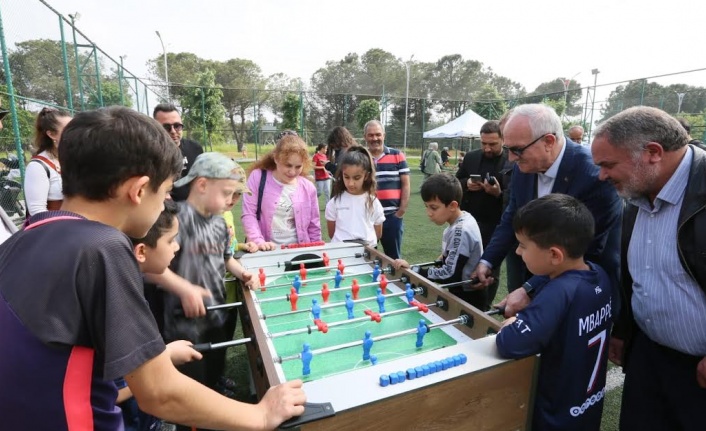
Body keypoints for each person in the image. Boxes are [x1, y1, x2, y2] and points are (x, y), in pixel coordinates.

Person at [0, 106, 305, 430]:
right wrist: (261, 414)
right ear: (139, 190)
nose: (164, 205)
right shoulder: (104, 248)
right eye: (163, 193)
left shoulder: (24, 237)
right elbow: (158, 392)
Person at [591, 106, 706, 430]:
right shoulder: (637, 194)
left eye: (608, 165)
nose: (601, 175)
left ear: (653, 153)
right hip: (648, 357)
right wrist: (624, 330)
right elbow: (637, 276)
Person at [471, 104, 622, 318]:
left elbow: (582, 250)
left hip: (579, 288)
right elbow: (512, 216)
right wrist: (488, 261)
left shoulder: (594, 176)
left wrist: (529, 289)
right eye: (508, 150)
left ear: (548, 142)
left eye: (517, 150)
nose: (512, 158)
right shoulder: (524, 167)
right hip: (531, 269)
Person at [151, 153, 259, 420]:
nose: (229, 201)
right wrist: (184, 288)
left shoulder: (221, 224)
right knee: (190, 382)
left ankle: (214, 386)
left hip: (216, 312)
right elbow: (150, 268)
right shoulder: (174, 221)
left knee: (215, 361)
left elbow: (227, 259)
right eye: (225, 193)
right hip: (183, 323)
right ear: (201, 185)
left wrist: (243, 273)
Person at [496, 193, 613, 431]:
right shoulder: (599, 273)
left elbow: (510, 343)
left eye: (522, 245)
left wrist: (511, 324)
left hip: (555, 416)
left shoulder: (558, 292)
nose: (518, 252)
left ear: (554, 255)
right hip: (587, 405)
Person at [116, 199, 203, 431]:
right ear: (142, 251)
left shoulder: (128, 282)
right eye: (171, 240)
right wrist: (165, 356)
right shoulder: (118, 303)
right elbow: (106, 395)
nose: (177, 247)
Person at [393, 173, 484, 309]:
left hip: (468, 296)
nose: (429, 213)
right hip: (464, 290)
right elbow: (449, 258)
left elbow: (449, 273)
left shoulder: (460, 231)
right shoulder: (463, 219)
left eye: (433, 207)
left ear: (453, 205)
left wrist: (415, 270)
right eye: (427, 207)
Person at [456, 120, 512, 309]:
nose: (487, 148)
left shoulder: (511, 161)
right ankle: (461, 302)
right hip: (470, 222)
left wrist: (498, 193)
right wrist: (466, 185)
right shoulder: (471, 157)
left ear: (503, 140)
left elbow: (516, 196)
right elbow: (456, 181)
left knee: (489, 268)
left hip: (497, 225)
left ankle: (484, 306)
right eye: (484, 143)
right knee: (462, 263)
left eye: (493, 144)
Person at [242, 134, 321, 251]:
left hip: (299, 252)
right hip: (265, 251)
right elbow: (249, 214)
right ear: (276, 158)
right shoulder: (258, 177)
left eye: (298, 166)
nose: (292, 171)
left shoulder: (308, 187)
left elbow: (314, 225)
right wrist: (258, 241)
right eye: (288, 165)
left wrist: (317, 251)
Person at [364, 119, 410, 259]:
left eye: (378, 134)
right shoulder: (361, 157)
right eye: (370, 135)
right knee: (368, 257)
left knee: (394, 259)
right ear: (365, 136)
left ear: (384, 135)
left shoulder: (397, 155)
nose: (375, 138)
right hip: (368, 218)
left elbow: (406, 184)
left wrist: (401, 211)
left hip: (392, 217)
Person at [325, 146, 385, 247]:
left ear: (366, 176)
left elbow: (378, 233)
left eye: (356, 178)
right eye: (346, 177)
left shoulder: (373, 202)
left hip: (367, 253)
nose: (351, 183)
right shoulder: (334, 202)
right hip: (341, 252)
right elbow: (332, 233)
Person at [23, 107, 72, 216]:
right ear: (52, 134)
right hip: (55, 229)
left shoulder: (73, 159)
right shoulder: (38, 166)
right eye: (68, 129)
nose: (75, 133)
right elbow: (37, 211)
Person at [153, 103, 203, 202]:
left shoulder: (195, 148)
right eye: (166, 127)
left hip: (194, 209)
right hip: (165, 211)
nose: (173, 131)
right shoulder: (150, 153)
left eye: (177, 126)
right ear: (156, 128)